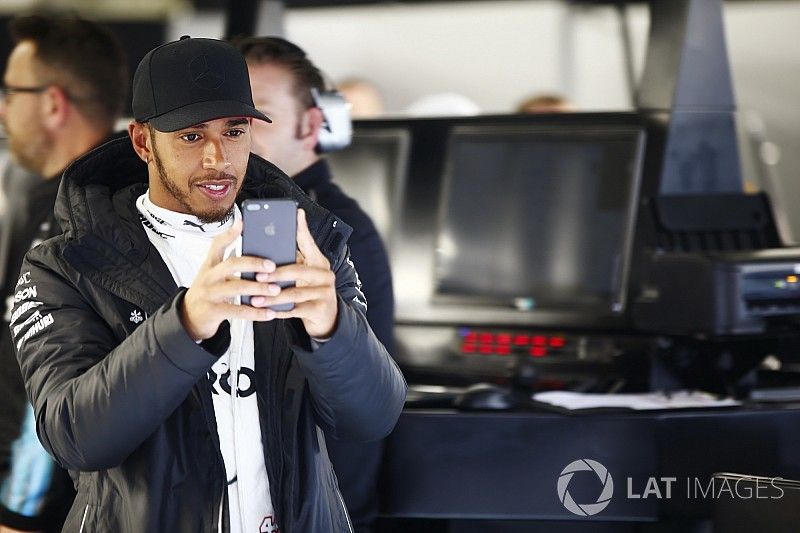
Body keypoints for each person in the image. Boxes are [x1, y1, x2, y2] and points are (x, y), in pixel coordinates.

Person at [9, 35, 406, 533]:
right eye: (192, 136)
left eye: (235, 131)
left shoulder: (309, 240)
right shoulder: (66, 263)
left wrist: (331, 326)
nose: (218, 158)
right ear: (142, 142)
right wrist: (186, 324)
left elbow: (372, 419)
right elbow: (74, 437)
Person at [234, 36, 395, 533]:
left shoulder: (332, 231)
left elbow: (351, 409)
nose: (233, 133)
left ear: (311, 123)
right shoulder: (245, 221)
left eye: (255, 114)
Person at [0, 14, 128, 532]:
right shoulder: (46, 197)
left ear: (53, 103)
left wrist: (17, 511)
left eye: (11, 91)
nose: (3, 108)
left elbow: (52, 379)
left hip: (43, 507)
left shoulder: (93, 212)